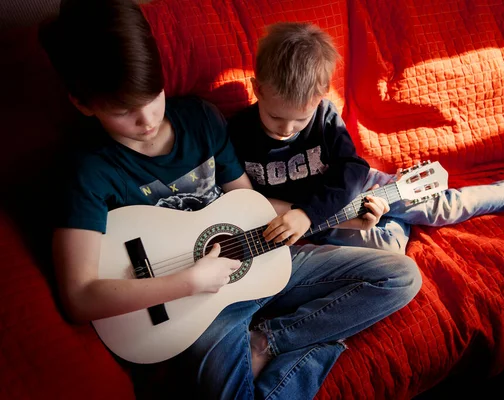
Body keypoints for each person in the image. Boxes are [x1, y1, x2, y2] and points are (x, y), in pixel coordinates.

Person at [39, 1, 422, 399]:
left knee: (401, 277)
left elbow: (247, 204)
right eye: (123, 111)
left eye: (153, 96)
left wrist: (334, 218)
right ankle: (313, 349)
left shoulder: (200, 120)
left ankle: (268, 341)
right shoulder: (86, 170)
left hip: (260, 264)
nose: (148, 120)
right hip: (197, 314)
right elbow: (78, 298)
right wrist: (187, 282)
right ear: (82, 104)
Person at [228, 22, 504, 254]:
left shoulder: (324, 117)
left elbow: (351, 169)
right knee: (391, 247)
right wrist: (307, 217)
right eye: (275, 115)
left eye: (299, 120)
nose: (286, 129)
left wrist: (308, 213)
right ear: (257, 89)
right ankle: (391, 223)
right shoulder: (239, 131)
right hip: (321, 222)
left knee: (442, 207)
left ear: (321, 96)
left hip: (353, 193)